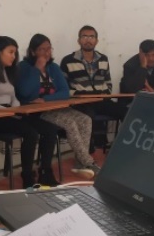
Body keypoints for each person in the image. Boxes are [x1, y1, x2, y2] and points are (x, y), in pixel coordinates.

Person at [0, 36, 59, 187]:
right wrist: (5, 111)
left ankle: (45, 172)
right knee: (31, 133)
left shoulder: (7, 72)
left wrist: (16, 107)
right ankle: (27, 176)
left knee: (50, 129)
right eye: (10, 52)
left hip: (10, 113)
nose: (14, 57)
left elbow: (13, 96)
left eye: (15, 53)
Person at [17, 34, 100, 178]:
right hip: (38, 112)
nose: (47, 53)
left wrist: (46, 99)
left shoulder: (53, 67)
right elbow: (25, 93)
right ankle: (88, 162)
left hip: (55, 107)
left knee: (85, 119)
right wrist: (36, 69)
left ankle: (80, 163)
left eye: (49, 49)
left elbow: (64, 92)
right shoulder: (24, 67)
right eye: (42, 49)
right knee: (70, 123)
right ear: (33, 52)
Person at [59, 25, 125, 150]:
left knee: (125, 111)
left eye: (91, 37)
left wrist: (105, 93)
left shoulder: (103, 59)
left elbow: (108, 82)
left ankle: (122, 146)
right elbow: (63, 88)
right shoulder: (68, 60)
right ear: (79, 40)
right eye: (84, 36)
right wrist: (79, 94)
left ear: (96, 41)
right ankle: (90, 151)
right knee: (88, 116)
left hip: (101, 100)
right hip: (81, 102)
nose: (88, 40)